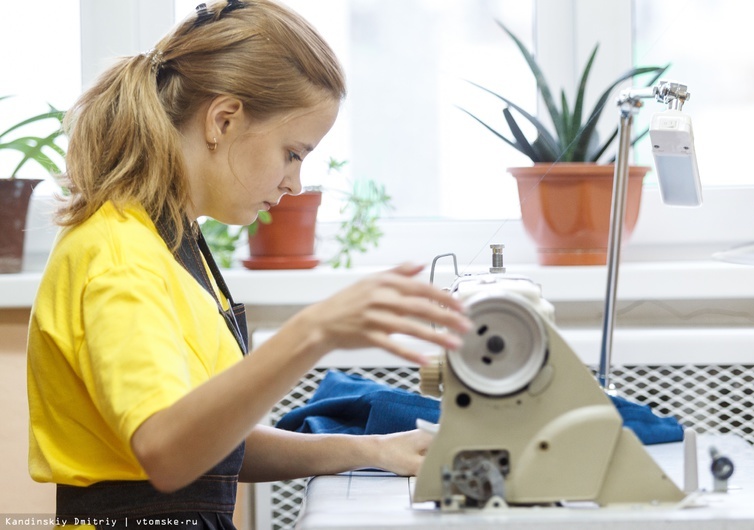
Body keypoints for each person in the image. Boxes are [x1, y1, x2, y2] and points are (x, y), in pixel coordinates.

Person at [26, 1, 471, 528]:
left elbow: (214, 446)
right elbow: (168, 454)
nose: (296, 183)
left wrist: (374, 449)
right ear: (223, 119)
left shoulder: (175, 245)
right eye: (292, 152)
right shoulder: (120, 259)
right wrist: (314, 330)